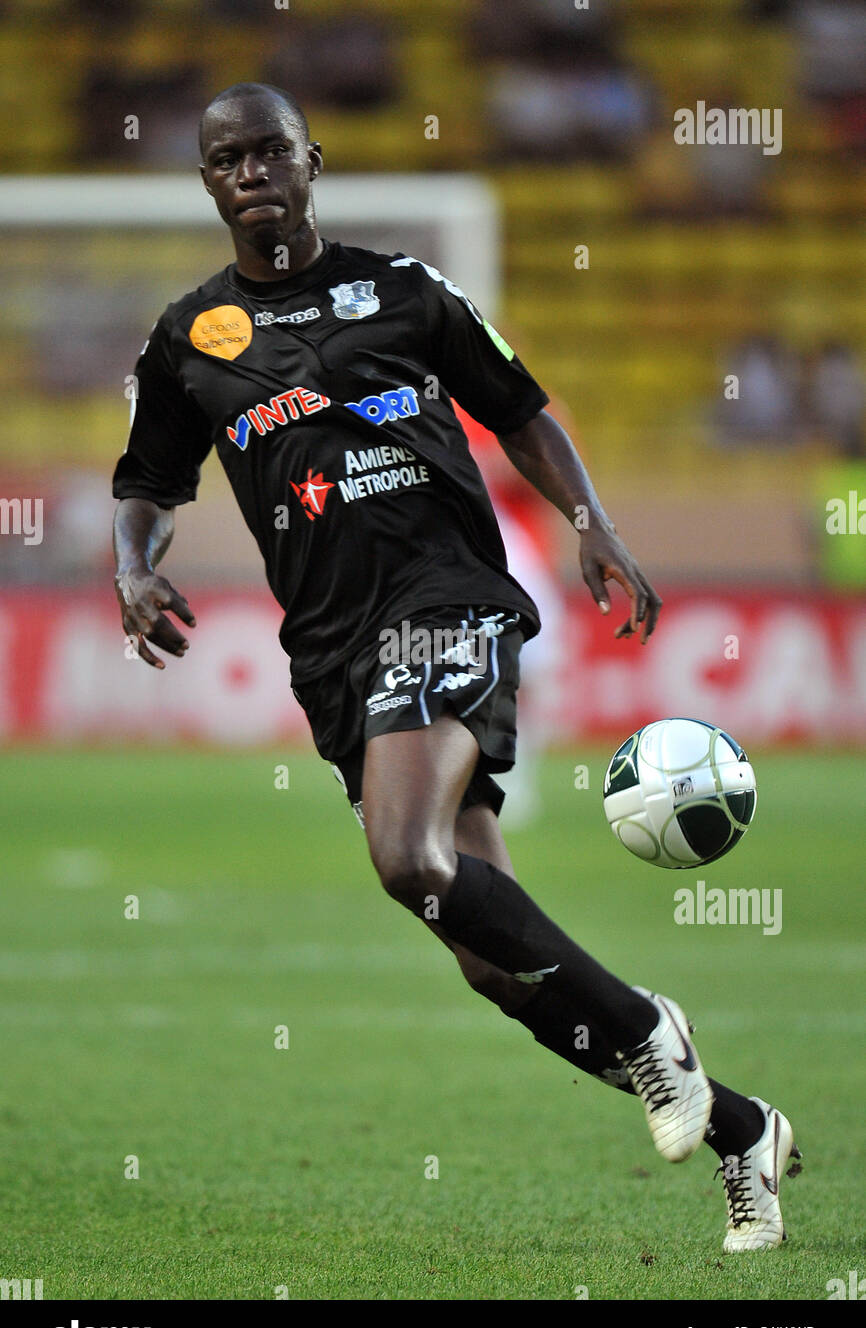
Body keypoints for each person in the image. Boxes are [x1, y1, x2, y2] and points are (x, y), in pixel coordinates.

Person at [112, 82, 799, 1252]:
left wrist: (590, 520)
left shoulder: (409, 293)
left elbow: (520, 408)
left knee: (403, 854)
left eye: (269, 151)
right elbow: (147, 484)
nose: (251, 175)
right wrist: (130, 567)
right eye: (225, 160)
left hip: (448, 600)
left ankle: (649, 1030)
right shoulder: (190, 341)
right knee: (491, 965)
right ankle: (740, 1129)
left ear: (311, 160)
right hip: (329, 649)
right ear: (208, 183)